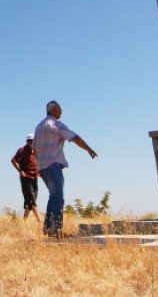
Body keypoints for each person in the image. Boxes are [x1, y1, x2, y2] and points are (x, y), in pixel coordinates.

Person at [34, 100, 97, 237]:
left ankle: (48, 229)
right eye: (60, 109)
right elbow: (73, 137)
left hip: (42, 167)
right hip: (53, 164)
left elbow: (34, 148)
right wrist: (88, 149)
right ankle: (56, 230)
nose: (62, 111)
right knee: (58, 197)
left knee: (53, 196)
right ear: (54, 110)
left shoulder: (39, 127)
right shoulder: (55, 124)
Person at [11, 134, 41, 221]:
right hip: (26, 177)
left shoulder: (36, 151)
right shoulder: (22, 150)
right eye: (30, 141)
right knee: (31, 199)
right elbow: (13, 160)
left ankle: (24, 222)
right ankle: (39, 219)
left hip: (35, 177)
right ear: (27, 141)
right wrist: (20, 171)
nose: (32, 142)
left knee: (30, 201)